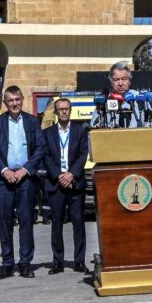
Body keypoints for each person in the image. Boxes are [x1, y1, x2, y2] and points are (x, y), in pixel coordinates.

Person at [0, 85, 44, 279]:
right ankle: (7, 263)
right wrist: (4, 170)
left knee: (26, 221)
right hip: (4, 179)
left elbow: (39, 148)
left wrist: (25, 170)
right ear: (5, 102)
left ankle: (25, 263)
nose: (14, 103)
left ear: (22, 100)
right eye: (10, 100)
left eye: (17, 99)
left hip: (26, 179)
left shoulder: (32, 122)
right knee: (5, 222)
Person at [42, 97, 90, 274]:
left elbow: (83, 154)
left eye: (66, 109)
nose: (63, 112)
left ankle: (79, 261)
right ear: (55, 112)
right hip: (56, 184)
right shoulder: (47, 133)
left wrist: (71, 174)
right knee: (57, 224)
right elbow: (45, 156)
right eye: (60, 109)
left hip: (75, 183)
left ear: (70, 111)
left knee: (78, 222)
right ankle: (58, 261)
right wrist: (59, 175)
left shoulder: (80, 131)